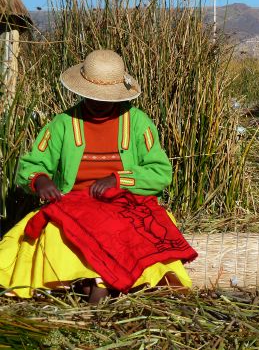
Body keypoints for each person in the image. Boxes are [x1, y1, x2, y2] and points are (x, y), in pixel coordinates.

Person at [0, 49, 195, 303]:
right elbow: (31, 164)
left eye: (106, 98)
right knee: (57, 230)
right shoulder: (63, 123)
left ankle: (96, 282)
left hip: (124, 203)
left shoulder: (138, 123)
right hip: (75, 204)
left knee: (132, 227)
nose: (99, 103)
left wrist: (119, 179)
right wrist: (40, 180)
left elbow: (160, 173)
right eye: (92, 97)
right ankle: (97, 281)